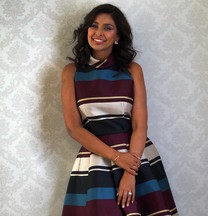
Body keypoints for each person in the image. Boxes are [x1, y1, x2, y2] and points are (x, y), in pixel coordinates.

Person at [61, 3, 178, 216]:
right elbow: (74, 129)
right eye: (94, 26)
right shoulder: (71, 72)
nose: (98, 32)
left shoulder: (132, 70)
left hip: (135, 156)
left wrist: (130, 171)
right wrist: (116, 158)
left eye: (107, 27)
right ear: (86, 30)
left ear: (117, 36)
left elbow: (139, 125)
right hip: (95, 160)